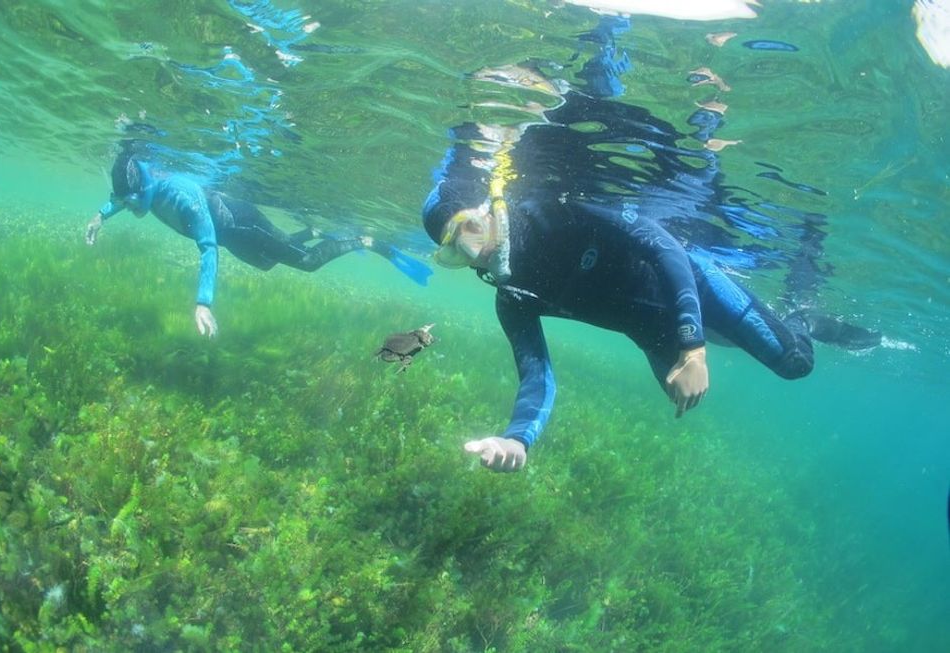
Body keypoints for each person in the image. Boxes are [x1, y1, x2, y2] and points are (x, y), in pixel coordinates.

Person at [422, 66, 879, 473]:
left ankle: (806, 317)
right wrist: (517, 438)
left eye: (471, 230)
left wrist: (693, 350)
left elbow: (663, 247)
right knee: (714, 355)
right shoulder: (513, 300)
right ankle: (738, 327)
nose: (475, 253)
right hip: (653, 330)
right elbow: (536, 376)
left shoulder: (553, 212)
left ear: (489, 206)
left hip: (689, 281)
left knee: (794, 363)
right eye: (455, 253)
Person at [87, 141, 431, 337]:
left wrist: (203, 301)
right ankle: (311, 232)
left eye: (131, 201)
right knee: (267, 263)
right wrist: (101, 215)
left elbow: (207, 247)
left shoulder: (181, 195)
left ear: (143, 189)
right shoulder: (138, 190)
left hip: (244, 224)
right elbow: (120, 197)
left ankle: (366, 240)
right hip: (233, 235)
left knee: (307, 262)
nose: (129, 207)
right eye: (124, 201)